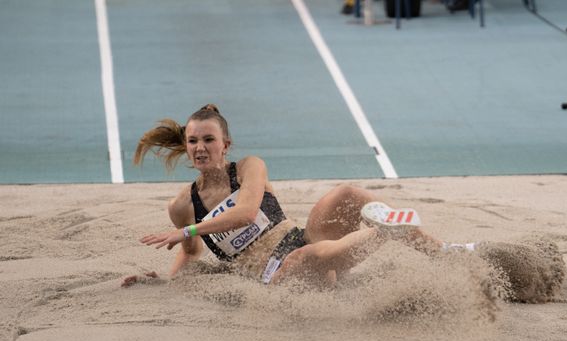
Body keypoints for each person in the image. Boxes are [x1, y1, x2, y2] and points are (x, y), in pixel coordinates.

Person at [123, 104, 470, 288]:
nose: (201, 148)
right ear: (186, 147)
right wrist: (166, 281)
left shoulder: (248, 168)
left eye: (209, 140)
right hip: (279, 275)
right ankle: (382, 231)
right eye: (193, 141)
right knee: (301, 259)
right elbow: (189, 254)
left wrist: (188, 231)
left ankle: (443, 251)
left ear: (225, 145)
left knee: (345, 194)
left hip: (299, 238)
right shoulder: (183, 206)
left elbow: (245, 213)